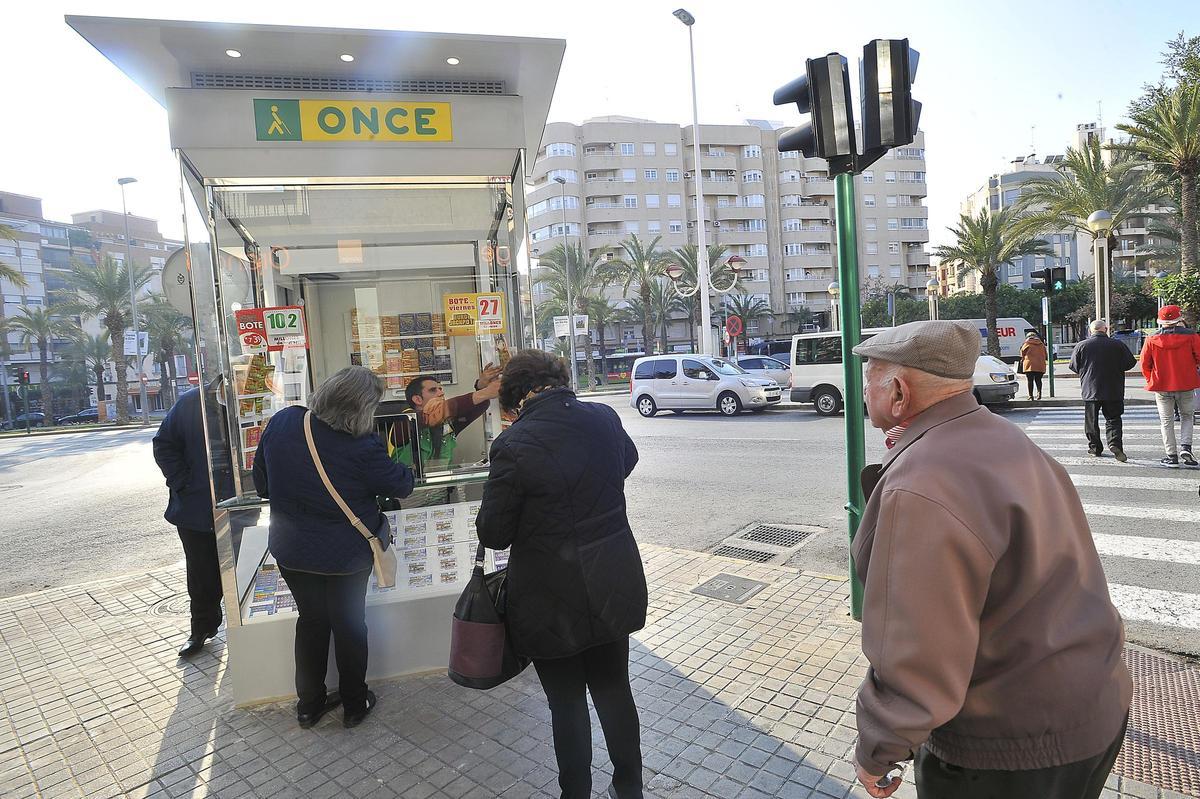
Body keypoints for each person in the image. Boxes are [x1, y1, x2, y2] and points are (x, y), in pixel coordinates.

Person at [849, 320, 1130, 799]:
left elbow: (918, 646)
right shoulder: (1001, 436)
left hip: (1005, 746)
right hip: (1091, 706)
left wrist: (879, 746)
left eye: (868, 379)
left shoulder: (920, 483)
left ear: (898, 393)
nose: (862, 393)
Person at [476, 350, 647, 799]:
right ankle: (629, 787)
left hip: (548, 592)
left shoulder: (513, 445)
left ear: (515, 396)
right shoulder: (604, 417)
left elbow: (493, 533)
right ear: (560, 379)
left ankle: (576, 792)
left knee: (566, 699)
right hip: (612, 574)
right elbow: (626, 462)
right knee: (614, 688)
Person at [252, 366, 414, 729]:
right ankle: (355, 704)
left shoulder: (283, 423)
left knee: (310, 621)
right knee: (349, 624)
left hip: (291, 549)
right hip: (346, 554)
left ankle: (308, 706)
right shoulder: (362, 444)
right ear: (363, 409)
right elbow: (402, 485)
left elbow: (262, 484)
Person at [152, 380, 259, 658]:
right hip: (196, 507)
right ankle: (201, 629)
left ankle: (246, 630)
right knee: (201, 574)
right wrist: (182, 482)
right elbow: (164, 444)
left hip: (241, 506)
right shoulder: (191, 404)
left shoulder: (255, 403)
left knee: (242, 569)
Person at [395, 365, 502, 472]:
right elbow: (436, 413)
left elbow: (477, 407)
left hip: (439, 486)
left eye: (440, 389)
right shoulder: (405, 420)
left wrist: (481, 386)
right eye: (433, 390)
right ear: (417, 399)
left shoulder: (447, 423)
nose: (441, 393)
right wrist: (485, 392)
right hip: (406, 487)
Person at [1069, 319, 1137, 462]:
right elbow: (1130, 363)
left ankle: (1095, 447)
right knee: (1113, 419)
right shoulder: (1118, 345)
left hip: (1090, 389)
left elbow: (1074, 366)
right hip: (1114, 388)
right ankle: (1115, 444)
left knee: (1091, 421)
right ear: (1106, 329)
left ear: (1090, 330)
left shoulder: (1082, 345)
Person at [1141, 304, 1200, 467]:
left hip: (1161, 385)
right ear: (1179, 318)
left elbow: (1145, 364)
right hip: (1186, 383)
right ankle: (1186, 447)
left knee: (1166, 421)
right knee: (1187, 416)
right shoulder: (1191, 336)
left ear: (1160, 321)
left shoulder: (1152, 339)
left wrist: (1150, 379)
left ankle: (1171, 456)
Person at [1019, 330, 1047, 400]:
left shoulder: (1026, 343)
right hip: (1040, 364)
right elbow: (1045, 354)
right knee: (1038, 380)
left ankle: (1031, 396)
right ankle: (1039, 393)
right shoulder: (1041, 344)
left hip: (1029, 365)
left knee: (1030, 380)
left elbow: (1022, 354)